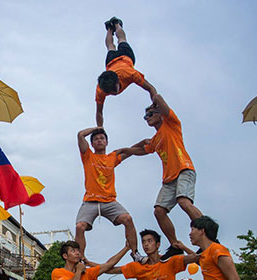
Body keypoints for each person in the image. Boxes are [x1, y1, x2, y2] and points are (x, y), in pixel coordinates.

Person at [120, 95, 203, 261]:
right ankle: (175, 245)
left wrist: (151, 91)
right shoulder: (155, 139)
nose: (147, 118)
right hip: (169, 179)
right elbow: (140, 150)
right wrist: (125, 150)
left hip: (183, 169)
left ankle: (208, 233)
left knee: (184, 202)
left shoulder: (171, 124)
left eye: (150, 114)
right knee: (159, 211)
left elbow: (160, 100)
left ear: (159, 113)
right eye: (145, 116)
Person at [75, 127, 146, 263]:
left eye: (102, 138)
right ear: (92, 144)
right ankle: (80, 259)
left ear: (107, 142)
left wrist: (142, 143)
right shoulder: (88, 156)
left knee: (128, 219)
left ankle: (135, 253)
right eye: (96, 139)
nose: (99, 140)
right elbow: (80, 135)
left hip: (109, 201)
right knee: (80, 227)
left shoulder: (112, 157)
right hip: (90, 200)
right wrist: (97, 128)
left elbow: (130, 151)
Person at [95, 17, 157, 127]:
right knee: (110, 46)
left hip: (126, 57)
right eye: (110, 92)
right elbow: (99, 112)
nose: (114, 93)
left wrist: (156, 105)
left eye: (115, 90)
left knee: (121, 40)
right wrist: (100, 128)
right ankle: (109, 28)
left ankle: (117, 24)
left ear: (118, 81)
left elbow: (151, 88)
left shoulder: (130, 74)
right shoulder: (101, 89)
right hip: (111, 64)